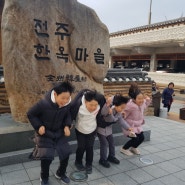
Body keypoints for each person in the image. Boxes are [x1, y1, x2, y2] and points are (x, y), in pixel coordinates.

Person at [27, 81, 75, 185]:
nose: (65, 101)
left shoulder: (67, 104)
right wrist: (39, 126)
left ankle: (60, 173)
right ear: (55, 94)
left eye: (67, 98)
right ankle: (44, 177)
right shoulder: (43, 103)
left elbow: (68, 115)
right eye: (63, 98)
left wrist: (67, 125)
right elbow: (31, 114)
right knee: (46, 157)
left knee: (65, 153)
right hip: (45, 134)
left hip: (59, 132)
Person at [97, 94, 136, 168]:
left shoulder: (118, 112)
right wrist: (108, 105)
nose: (122, 110)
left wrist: (128, 128)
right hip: (101, 129)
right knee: (104, 144)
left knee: (112, 143)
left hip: (108, 130)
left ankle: (111, 156)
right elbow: (107, 115)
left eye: (124, 108)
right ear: (116, 105)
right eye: (121, 108)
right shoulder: (108, 108)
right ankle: (102, 159)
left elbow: (121, 121)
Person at [70, 89, 101, 174]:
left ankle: (89, 164)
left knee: (90, 147)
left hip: (92, 129)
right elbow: (71, 113)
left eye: (95, 105)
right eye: (91, 105)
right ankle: (78, 162)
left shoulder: (99, 105)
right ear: (85, 102)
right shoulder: (78, 105)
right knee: (81, 147)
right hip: (80, 129)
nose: (93, 107)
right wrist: (69, 123)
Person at [120, 82, 151, 156]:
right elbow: (124, 114)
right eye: (139, 99)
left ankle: (133, 148)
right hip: (130, 126)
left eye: (142, 98)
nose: (141, 100)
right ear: (134, 99)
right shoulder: (130, 106)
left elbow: (145, 105)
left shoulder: (142, 103)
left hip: (138, 126)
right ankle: (124, 149)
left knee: (142, 138)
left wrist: (148, 100)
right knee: (135, 139)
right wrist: (123, 114)